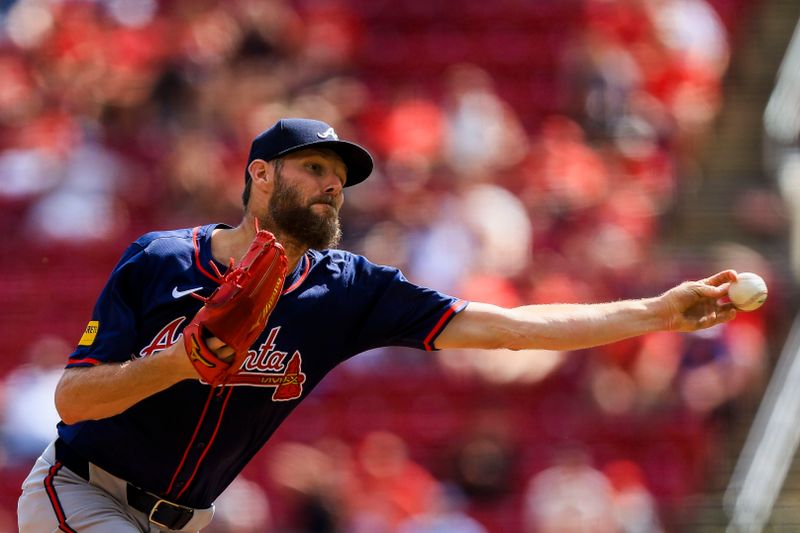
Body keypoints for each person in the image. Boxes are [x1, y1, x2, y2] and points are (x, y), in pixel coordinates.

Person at [17, 118, 739, 532]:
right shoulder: (162, 259)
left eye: (341, 175)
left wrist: (652, 312)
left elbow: (507, 328)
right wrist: (177, 362)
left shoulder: (347, 288)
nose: (334, 184)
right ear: (261, 175)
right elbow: (72, 402)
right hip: (82, 491)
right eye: (315, 169)